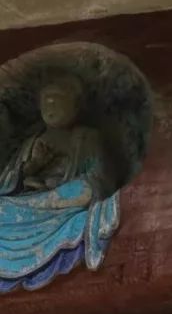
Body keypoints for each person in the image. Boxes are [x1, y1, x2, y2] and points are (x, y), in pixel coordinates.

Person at [0, 76, 118, 291]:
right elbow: (9, 183)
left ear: (75, 107)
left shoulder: (87, 138)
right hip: (31, 201)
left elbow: (100, 175)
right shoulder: (34, 141)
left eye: (57, 101)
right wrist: (33, 165)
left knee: (83, 190)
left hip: (65, 196)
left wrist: (66, 187)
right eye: (46, 102)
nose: (50, 107)